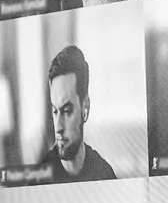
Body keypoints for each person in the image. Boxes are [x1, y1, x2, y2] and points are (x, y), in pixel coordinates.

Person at [40, 46, 116, 184]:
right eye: (55, 111)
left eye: (67, 111)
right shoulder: (39, 179)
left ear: (85, 107)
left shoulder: (104, 175)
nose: (58, 127)